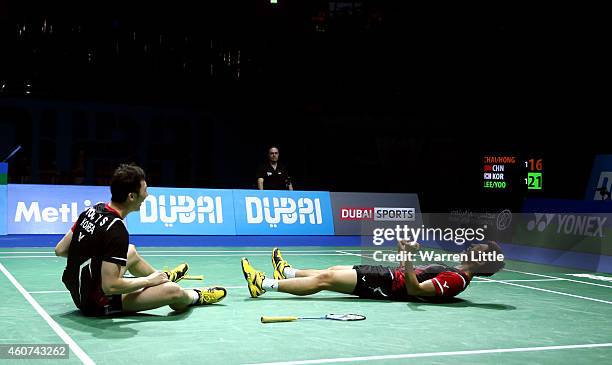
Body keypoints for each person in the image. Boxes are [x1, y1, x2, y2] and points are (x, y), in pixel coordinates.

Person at [55, 163, 226, 316]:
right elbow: (110, 287)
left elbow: (60, 250)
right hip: (96, 303)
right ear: (131, 196)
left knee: (131, 251)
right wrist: (148, 281)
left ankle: (164, 277)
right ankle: (195, 295)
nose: (147, 195)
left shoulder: (93, 210)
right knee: (173, 291)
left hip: (79, 290)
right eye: (144, 190)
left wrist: (91, 257)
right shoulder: (116, 230)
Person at [241, 241, 505, 301]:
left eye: (478, 247)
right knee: (333, 269)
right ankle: (288, 272)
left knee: (325, 280)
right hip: (388, 275)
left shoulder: (456, 280)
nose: (472, 245)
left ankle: (263, 284)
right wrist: (404, 258)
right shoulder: (454, 270)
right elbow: (411, 275)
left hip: (386, 285)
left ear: (482, 260)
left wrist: (409, 259)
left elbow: (415, 290)